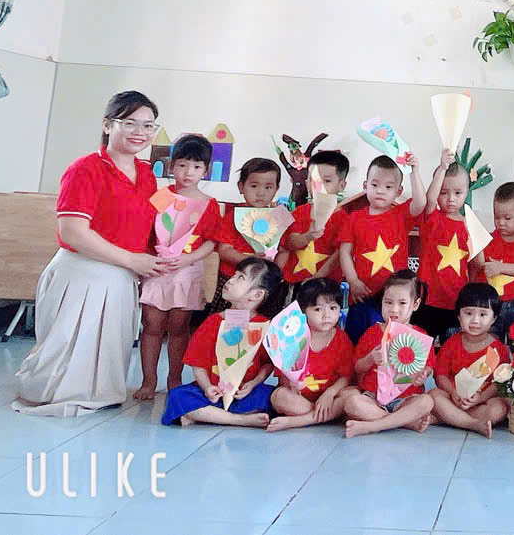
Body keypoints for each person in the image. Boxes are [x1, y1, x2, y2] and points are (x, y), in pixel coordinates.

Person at [14, 91, 167, 417]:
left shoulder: (146, 174)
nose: (140, 132)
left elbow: (149, 226)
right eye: (130, 123)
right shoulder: (86, 168)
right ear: (108, 125)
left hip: (122, 276)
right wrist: (131, 260)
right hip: (82, 272)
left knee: (108, 353)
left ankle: (102, 393)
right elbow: (73, 232)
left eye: (148, 125)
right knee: (69, 352)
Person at [135, 134, 221, 400]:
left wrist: (188, 259)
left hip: (187, 272)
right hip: (157, 269)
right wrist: (147, 260)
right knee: (151, 325)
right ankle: (148, 381)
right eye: (182, 165)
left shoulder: (209, 203)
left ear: (206, 170)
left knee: (180, 327)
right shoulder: (161, 197)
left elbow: (212, 242)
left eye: (196, 166)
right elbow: (146, 231)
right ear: (172, 166)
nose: (188, 172)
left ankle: (174, 380)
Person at [161, 257, 284, 427]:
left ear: (257, 295)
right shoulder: (213, 322)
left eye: (240, 278)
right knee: (178, 397)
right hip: (213, 391)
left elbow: (267, 364)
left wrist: (253, 384)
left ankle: (209, 415)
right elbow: (198, 364)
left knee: (271, 397)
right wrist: (207, 387)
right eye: (234, 275)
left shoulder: (265, 326)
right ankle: (239, 419)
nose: (231, 280)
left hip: (244, 393)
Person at [341, 271, 436, 436]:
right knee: (351, 403)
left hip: (406, 399)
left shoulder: (420, 335)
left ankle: (372, 425)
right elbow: (357, 367)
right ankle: (404, 422)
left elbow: (428, 367)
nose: (394, 309)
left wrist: (423, 374)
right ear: (382, 302)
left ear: (415, 304)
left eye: (402, 303)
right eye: (388, 302)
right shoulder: (372, 332)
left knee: (426, 402)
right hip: (373, 397)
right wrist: (370, 358)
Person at [339, 156, 420, 342]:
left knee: (391, 343)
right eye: (374, 185)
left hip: (395, 300)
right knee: (357, 341)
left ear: (398, 191)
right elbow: (344, 252)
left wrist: (414, 171)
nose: (380, 191)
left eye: (388, 187)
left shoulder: (401, 214)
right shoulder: (355, 218)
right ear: (365, 185)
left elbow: (421, 204)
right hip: (362, 294)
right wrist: (353, 281)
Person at [266, 278, 354, 432]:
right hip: (300, 399)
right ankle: (324, 416)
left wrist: (329, 394)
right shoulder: (293, 338)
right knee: (279, 396)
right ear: (303, 310)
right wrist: (290, 384)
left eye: (333, 308)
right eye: (318, 309)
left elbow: (346, 376)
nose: (326, 315)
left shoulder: (341, 338)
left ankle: (302, 420)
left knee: (351, 395)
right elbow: (282, 377)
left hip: (329, 397)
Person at [203, 156, 283, 317]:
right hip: (233, 279)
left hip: (264, 284)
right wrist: (253, 261)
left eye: (268, 187)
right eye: (254, 186)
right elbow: (225, 251)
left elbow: (285, 249)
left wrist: (275, 273)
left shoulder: (281, 216)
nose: (260, 192)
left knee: (258, 323)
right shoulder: (232, 216)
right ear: (241, 187)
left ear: (276, 189)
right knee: (227, 322)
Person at [428, 283, 511, 436]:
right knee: (433, 395)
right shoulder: (451, 344)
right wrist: (453, 393)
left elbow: (498, 383)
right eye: (468, 313)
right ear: (459, 316)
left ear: (494, 318)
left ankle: (447, 418)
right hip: (453, 399)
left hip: (480, 403)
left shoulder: (498, 349)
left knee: (499, 409)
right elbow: (440, 376)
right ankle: (473, 424)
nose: (475, 320)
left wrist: (480, 398)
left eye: (483, 315)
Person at [414, 150, 478, 342]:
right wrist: (442, 168)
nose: (451, 199)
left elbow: (475, 264)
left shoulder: (470, 225)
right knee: (420, 350)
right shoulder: (432, 218)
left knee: (452, 350)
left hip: (456, 302)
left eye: (458, 193)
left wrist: (469, 294)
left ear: (467, 192)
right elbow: (430, 200)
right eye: (444, 192)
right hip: (427, 300)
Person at [473, 181, 514, 339]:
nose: (501, 222)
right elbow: (480, 265)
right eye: (497, 217)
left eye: (507, 218)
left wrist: (500, 268)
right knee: (489, 342)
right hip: (491, 303)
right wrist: (476, 242)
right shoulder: (488, 239)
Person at [278, 149, 352, 288]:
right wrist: (308, 236)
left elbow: (340, 254)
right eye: (314, 181)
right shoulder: (299, 212)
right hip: (293, 281)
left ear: (341, 185)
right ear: (307, 183)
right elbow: (289, 242)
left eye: (327, 181)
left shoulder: (345, 219)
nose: (319, 186)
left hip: (325, 284)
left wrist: (318, 277)